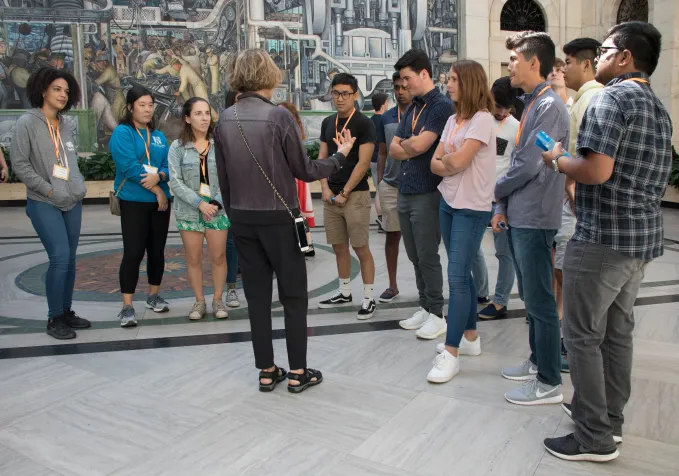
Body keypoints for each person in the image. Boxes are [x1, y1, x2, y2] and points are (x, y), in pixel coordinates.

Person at [542, 21, 673, 463]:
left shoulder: (610, 99)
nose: (597, 56)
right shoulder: (658, 107)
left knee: (581, 336)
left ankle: (592, 435)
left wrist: (559, 160)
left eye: (604, 49)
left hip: (602, 239)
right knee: (618, 335)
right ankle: (609, 421)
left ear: (625, 58)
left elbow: (597, 171)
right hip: (640, 239)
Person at [214, 48, 356, 393]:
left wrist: (236, 219)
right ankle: (297, 372)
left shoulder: (224, 119)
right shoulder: (279, 117)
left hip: (243, 220)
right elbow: (304, 171)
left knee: (258, 297)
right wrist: (340, 156)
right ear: (271, 76)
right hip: (279, 220)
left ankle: (266, 370)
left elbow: (224, 179)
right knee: (293, 296)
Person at [492, 31, 569, 405]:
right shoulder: (534, 103)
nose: (510, 66)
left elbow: (525, 165)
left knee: (539, 299)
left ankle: (549, 381)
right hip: (522, 212)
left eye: (514, 60)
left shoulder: (549, 106)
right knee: (532, 296)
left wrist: (496, 190)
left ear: (533, 62)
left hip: (537, 215)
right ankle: (539, 361)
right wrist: (503, 202)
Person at [427, 60, 496, 383]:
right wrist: (447, 163)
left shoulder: (482, 120)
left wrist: (447, 162)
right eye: (448, 78)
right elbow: (436, 162)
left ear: (468, 83)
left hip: (471, 207)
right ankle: (469, 338)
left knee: (456, 277)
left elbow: (457, 160)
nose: (448, 84)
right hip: (449, 202)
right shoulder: (454, 120)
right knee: (463, 275)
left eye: (454, 79)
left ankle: (451, 353)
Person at [10, 67, 89, 340]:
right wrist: (46, 189)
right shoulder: (27, 122)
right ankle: (54, 318)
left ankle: (66, 311)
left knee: (70, 260)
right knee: (59, 257)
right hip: (43, 201)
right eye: (57, 89)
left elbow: (70, 160)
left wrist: (78, 186)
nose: (62, 95)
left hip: (72, 200)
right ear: (43, 90)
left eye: (66, 91)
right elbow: (19, 164)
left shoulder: (67, 124)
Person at [390, 49, 455, 339]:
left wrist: (410, 144)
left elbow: (419, 147)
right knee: (414, 254)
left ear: (424, 74)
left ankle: (437, 313)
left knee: (428, 254)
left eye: (408, 79)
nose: (404, 86)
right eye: (401, 80)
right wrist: (411, 144)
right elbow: (394, 149)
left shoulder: (440, 106)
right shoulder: (413, 107)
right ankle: (425, 307)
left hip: (428, 192)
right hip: (405, 189)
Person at [110, 86, 173, 327]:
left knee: (157, 252)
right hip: (134, 201)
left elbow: (168, 166)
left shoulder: (158, 136)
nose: (147, 109)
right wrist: (156, 187)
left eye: (150, 105)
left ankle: (153, 296)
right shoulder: (123, 133)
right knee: (134, 252)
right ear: (130, 107)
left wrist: (162, 178)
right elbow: (128, 166)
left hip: (161, 204)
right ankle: (127, 306)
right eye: (142, 105)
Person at [317, 73, 378, 320]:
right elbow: (322, 159)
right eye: (335, 93)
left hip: (355, 196)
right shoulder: (328, 122)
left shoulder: (364, 124)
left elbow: (363, 164)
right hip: (331, 196)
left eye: (345, 94)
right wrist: (325, 188)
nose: (339, 98)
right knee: (339, 247)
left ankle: (369, 297)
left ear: (355, 95)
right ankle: (344, 292)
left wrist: (344, 192)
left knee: (360, 247)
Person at [168, 97, 229, 320]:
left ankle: (218, 299)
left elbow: (228, 177)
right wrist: (199, 203)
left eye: (207, 113)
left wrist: (214, 203)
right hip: (189, 212)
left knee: (219, 256)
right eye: (198, 113)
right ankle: (199, 302)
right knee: (193, 258)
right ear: (187, 118)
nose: (204, 118)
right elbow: (175, 181)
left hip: (216, 211)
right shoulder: (177, 147)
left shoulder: (220, 145)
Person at [473, 85, 519, 320]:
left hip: (500, 199)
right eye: (498, 107)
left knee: (505, 253)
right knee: (471, 247)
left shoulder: (516, 128)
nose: (502, 112)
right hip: (476, 195)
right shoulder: (479, 120)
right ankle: (480, 292)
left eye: (507, 108)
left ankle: (500, 302)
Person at [375, 72, 413, 303]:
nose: (400, 91)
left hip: (416, 186)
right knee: (392, 236)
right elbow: (381, 151)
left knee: (419, 241)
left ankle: (424, 286)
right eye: (396, 87)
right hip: (390, 185)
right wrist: (380, 181)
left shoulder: (422, 113)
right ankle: (392, 285)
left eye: (404, 87)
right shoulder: (386, 117)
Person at [279, 101, 317, 258]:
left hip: (295, 175)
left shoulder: (292, 130)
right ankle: (304, 244)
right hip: (287, 175)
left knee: (298, 211)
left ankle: (305, 244)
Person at [223, 90, 241, 307]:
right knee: (230, 242)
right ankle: (230, 287)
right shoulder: (223, 127)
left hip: (252, 193)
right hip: (227, 194)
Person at [370, 93, 389, 231]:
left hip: (372, 160)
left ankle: (381, 217)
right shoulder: (385, 120)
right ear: (383, 104)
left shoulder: (369, 121)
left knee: (378, 188)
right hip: (383, 160)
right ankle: (384, 219)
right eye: (387, 102)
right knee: (384, 190)